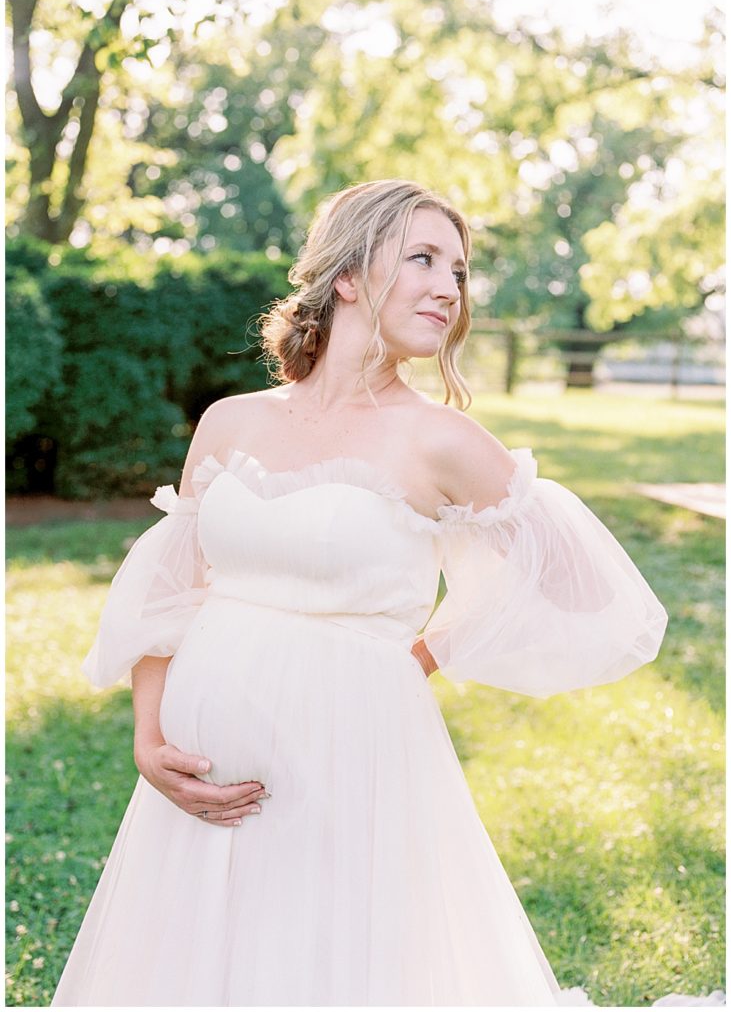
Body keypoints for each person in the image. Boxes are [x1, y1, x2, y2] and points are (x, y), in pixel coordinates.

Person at [52, 179, 668, 1007]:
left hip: (352, 757)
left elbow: (590, 588)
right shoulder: (230, 422)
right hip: (197, 787)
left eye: (457, 269)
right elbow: (170, 589)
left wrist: (422, 651)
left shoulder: (441, 440)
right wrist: (147, 737)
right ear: (346, 276)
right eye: (422, 258)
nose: (448, 287)